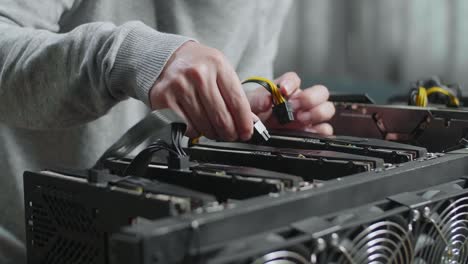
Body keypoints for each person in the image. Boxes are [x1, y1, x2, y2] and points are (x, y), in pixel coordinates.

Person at [0, 0, 334, 262]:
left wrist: (246, 118)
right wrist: (126, 56)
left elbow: (238, 78)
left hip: (164, 243)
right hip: (27, 242)